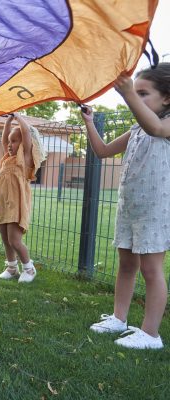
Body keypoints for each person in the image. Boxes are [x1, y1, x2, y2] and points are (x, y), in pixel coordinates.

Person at [83, 64, 170, 349]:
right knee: (126, 265)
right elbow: (103, 150)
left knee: (151, 270)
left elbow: (156, 127)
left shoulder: (165, 124)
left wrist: (127, 93)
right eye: (136, 92)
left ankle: (150, 334)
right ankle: (119, 319)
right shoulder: (136, 129)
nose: (136, 97)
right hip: (130, 207)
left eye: (143, 93)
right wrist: (89, 122)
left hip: (155, 209)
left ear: (167, 98)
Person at [0, 113, 46, 283]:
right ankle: (11, 267)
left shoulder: (24, 160)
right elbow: (4, 140)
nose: (9, 145)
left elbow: (25, 135)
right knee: (5, 238)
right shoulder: (7, 159)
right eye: (10, 141)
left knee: (14, 240)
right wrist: (8, 121)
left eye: (14, 141)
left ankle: (28, 268)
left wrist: (17, 116)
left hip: (17, 205)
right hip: (3, 203)